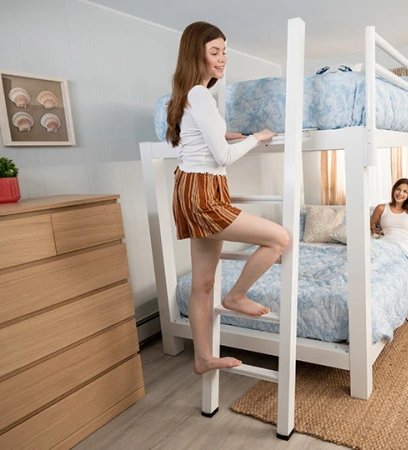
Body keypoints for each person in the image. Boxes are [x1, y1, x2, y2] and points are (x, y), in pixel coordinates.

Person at [166, 21, 289, 375]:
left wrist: (230, 133)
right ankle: (236, 296)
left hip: (193, 189)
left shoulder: (191, 95)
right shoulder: (200, 94)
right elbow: (221, 158)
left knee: (203, 283)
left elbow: (203, 140)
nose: (222, 59)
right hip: (204, 193)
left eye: (224, 52)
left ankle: (203, 358)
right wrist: (257, 138)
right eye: (214, 52)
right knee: (280, 238)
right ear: (197, 54)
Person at [369, 178, 408, 291]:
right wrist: (375, 230)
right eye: (398, 189)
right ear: (394, 190)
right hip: (385, 242)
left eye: (405, 191)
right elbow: (370, 226)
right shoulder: (381, 208)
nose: (400, 193)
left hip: (404, 243)